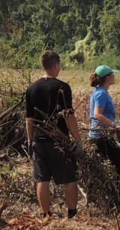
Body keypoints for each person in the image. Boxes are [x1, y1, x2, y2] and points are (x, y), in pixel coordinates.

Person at [25, 50, 82, 220]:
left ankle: (45, 214)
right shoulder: (62, 88)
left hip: (39, 140)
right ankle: (71, 213)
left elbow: (29, 118)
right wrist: (78, 140)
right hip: (58, 141)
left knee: (42, 179)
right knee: (70, 177)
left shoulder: (32, 88)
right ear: (56, 65)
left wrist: (30, 139)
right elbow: (69, 115)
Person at [88, 65, 120, 178]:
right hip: (101, 135)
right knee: (119, 166)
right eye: (112, 74)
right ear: (107, 77)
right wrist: (115, 124)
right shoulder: (101, 93)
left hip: (102, 134)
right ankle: (118, 187)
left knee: (103, 166)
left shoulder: (101, 92)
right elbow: (97, 114)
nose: (114, 76)